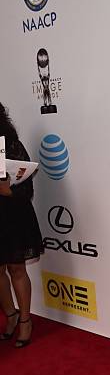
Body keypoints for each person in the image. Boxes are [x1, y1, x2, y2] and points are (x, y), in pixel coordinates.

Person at [0, 103, 44, 347]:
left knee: (17, 269)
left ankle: (26, 320)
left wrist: (8, 190)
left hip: (13, 216)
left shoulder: (12, 145)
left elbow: (27, 189)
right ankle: (11, 315)